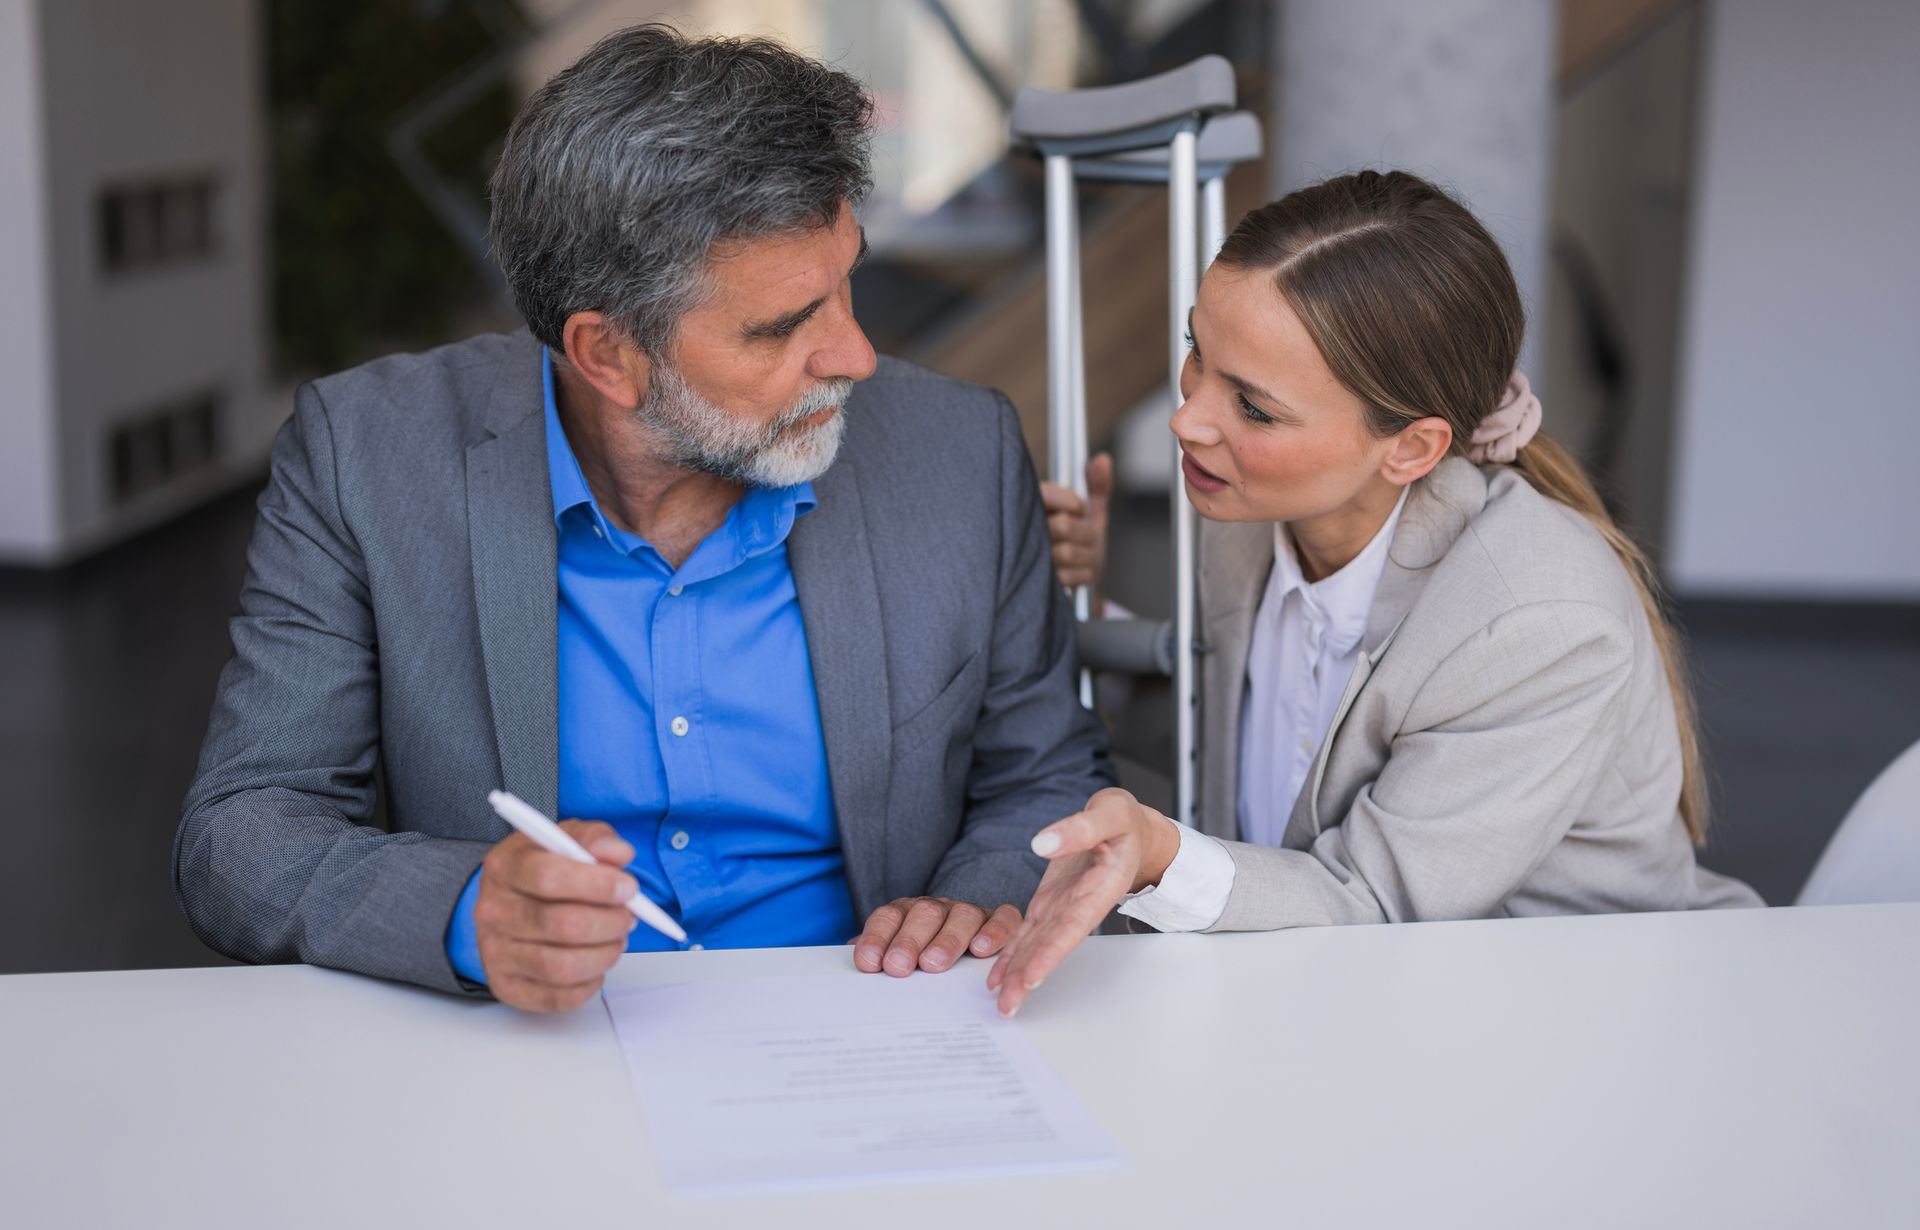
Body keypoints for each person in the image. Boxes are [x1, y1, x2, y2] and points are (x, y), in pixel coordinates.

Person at [173, 25, 1111, 1012]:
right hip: (526, 1060)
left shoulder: (960, 452)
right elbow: (242, 834)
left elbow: (1046, 773)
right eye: (785, 327)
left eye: (847, 284)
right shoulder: (363, 456)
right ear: (608, 356)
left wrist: (980, 897)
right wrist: (465, 915)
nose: (856, 356)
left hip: (870, 1029)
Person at [996, 170, 1759, 1015]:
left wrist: (1162, 858)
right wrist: (1058, 601)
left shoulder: (1539, 620)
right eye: (1195, 356)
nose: (1188, 419)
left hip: (1566, 1021)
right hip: (1343, 1006)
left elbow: (1376, 899)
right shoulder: (1249, 513)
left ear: (1411, 448)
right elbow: (1235, 728)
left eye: (1252, 405)